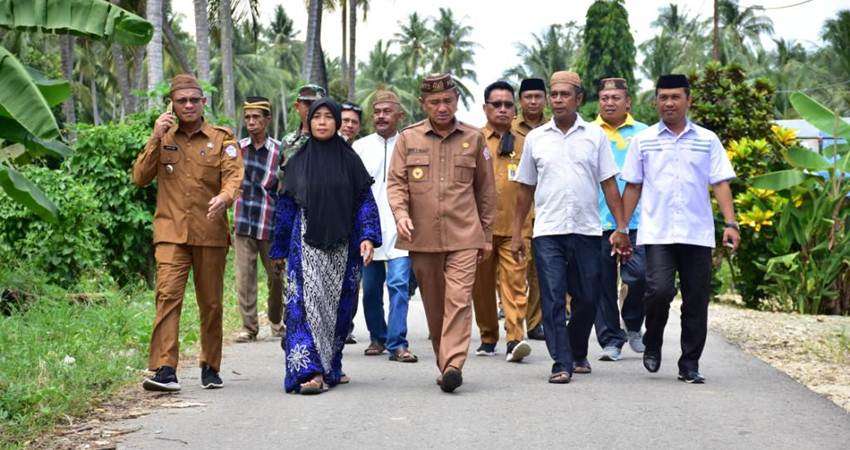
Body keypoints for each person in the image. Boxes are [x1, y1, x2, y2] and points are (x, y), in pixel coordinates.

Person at [511, 71, 631, 385]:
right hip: (548, 231)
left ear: (579, 99)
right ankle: (560, 362)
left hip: (587, 230)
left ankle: (578, 351)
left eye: (566, 95)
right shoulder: (537, 138)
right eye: (555, 94)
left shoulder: (595, 136)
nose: (558, 100)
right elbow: (524, 189)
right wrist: (516, 233)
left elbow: (609, 183)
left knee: (587, 297)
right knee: (552, 296)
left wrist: (621, 226)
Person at [621, 74, 740, 384]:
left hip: (696, 233)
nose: (669, 103)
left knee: (696, 299)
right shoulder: (643, 140)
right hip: (658, 232)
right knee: (658, 291)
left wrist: (730, 223)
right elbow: (633, 186)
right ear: (656, 101)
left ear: (688, 100)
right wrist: (622, 226)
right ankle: (654, 340)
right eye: (663, 97)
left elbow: (720, 182)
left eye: (675, 97)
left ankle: (690, 363)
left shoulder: (707, 139)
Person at [132, 74, 243, 392]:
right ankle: (165, 369)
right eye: (182, 101)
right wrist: (155, 137)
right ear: (173, 104)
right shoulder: (163, 137)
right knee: (167, 297)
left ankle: (210, 365)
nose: (189, 105)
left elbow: (234, 176)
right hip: (170, 232)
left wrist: (225, 197)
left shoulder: (222, 138)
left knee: (211, 303)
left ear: (203, 102)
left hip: (209, 233)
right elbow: (139, 177)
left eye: (194, 99)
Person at [387, 73, 496, 393]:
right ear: (423, 104)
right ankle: (443, 361)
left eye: (448, 101)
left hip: (465, 234)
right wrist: (401, 214)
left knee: (460, 300)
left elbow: (486, 191)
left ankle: (453, 364)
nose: (442, 107)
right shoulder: (409, 138)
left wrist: (486, 235)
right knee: (435, 306)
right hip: (422, 237)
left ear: (457, 102)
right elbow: (396, 184)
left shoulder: (474, 138)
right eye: (434, 102)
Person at [269, 98, 381, 395]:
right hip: (303, 246)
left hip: (343, 249)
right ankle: (309, 370)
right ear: (309, 122)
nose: (321, 122)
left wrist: (368, 237)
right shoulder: (297, 162)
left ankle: (331, 364)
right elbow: (285, 207)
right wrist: (278, 249)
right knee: (302, 308)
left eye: (327, 117)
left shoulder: (350, 160)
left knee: (339, 310)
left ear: (336, 122)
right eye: (316, 117)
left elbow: (364, 202)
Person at [353, 90, 417, 363]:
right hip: (369, 228)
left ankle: (398, 342)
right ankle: (378, 337)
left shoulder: (411, 144)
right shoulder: (360, 147)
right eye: (377, 111)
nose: (380, 116)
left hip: (402, 226)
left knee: (399, 284)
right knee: (370, 289)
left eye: (387, 111)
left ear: (399, 115)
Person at [471, 81, 533, 362]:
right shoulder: (472, 140)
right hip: (479, 230)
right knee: (481, 288)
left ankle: (515, 338)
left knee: (515, 283)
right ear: (485, 108)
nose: (503, 109)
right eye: (497, 104)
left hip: (516, 228)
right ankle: (488, 337)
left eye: (509, 104)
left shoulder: (527, 142)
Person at [592, 78, 649, 361]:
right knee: (601, 282)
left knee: (639, 276)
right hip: (596, 220)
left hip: (636, 221)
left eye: (616, 98)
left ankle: (633, 323)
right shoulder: (588, 133)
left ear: (628, 102)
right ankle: (611, 340)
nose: (610, 103)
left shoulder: (644, 134)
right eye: (604, 98)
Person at [233, 97, 284, 343]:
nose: (251, 122)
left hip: (269, 222)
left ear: (267, 119)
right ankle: (249, 327)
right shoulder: (237, 149)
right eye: (248, 118)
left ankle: (276, 319)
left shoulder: (279, 150)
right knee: (244, 277)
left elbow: (284, 188)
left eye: (256, 117)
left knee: (276, 276)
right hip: (243, 220)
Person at [512, 78, 548, 341]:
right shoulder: (509, 130)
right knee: (517, 268)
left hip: (547, 210)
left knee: (540, 271)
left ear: (544, 99)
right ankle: (513, 322)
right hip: (518, 210)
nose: (533, 101)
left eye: (538, 96)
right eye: (528, 97)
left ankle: (535, 323)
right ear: (520, 100)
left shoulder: (554, 128)